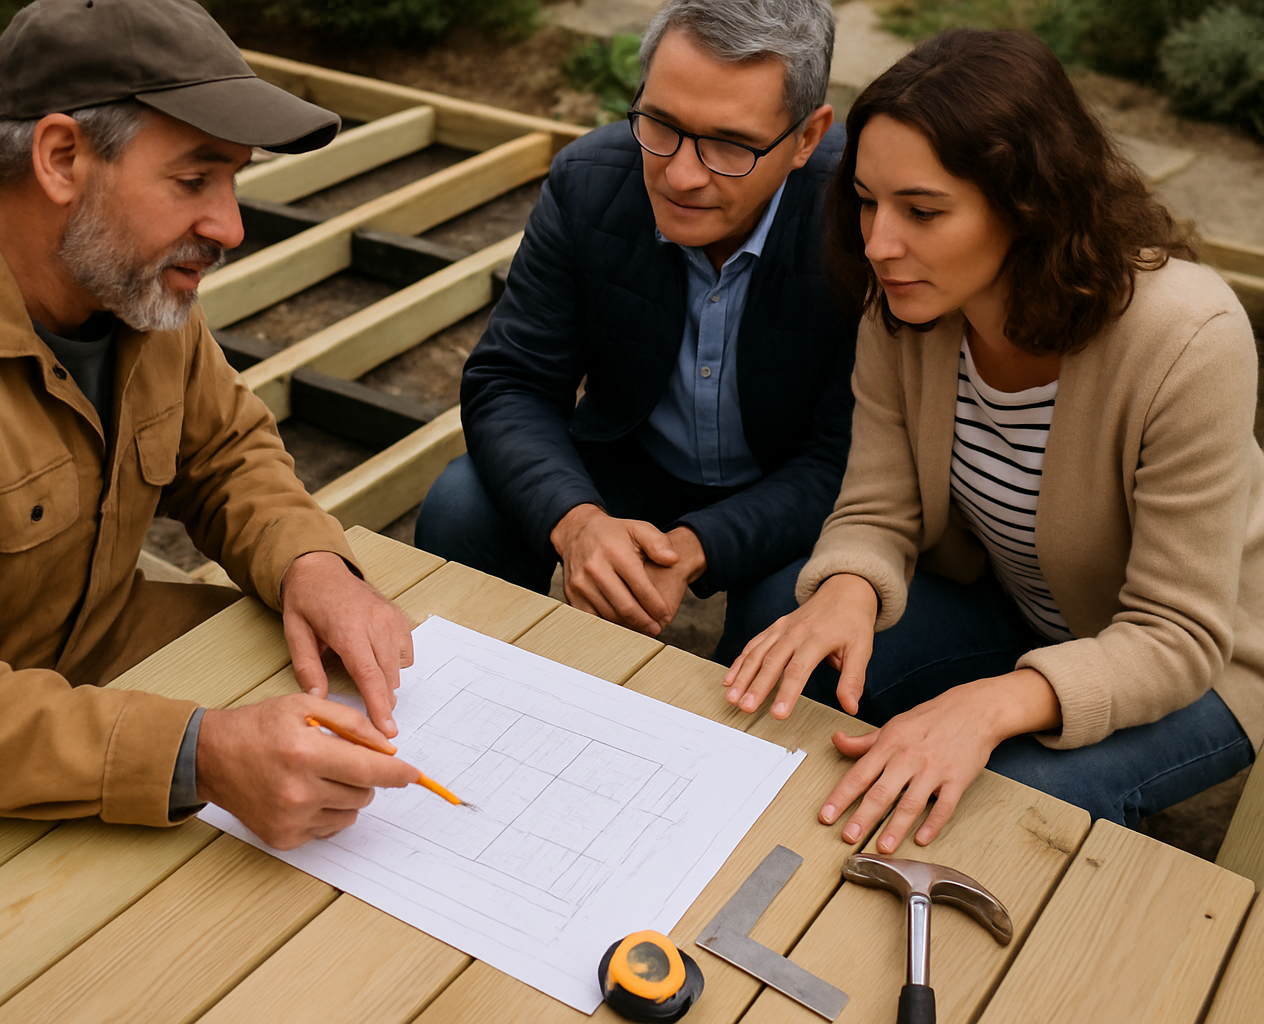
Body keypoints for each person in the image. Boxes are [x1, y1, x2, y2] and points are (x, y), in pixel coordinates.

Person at [0, 0, 423, 871]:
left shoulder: (126, 276)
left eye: (234, 181)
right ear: (61, 158)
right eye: (194, 179)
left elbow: (225, 454)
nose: (231, 226)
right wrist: (200, 755)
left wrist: (310, 563)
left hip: (92, 641)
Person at [723, 28, 1264, 854]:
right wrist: (849, 589)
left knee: (1001, 804)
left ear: (1029, 205)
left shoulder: (1189, 338)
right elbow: (877, 506)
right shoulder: (905, 300)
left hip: (1210, 662)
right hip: (1022, 609)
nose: (879, 243)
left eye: (923, 211)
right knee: (781, 615)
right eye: (867, 200)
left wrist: (987, 706)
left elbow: (1176, 635)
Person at [415, 0, 856, 658]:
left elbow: (845, 457)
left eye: (730, 145)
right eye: (661, 124)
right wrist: (576, 519)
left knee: (789, 611)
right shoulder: (588, 183)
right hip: (632, 458)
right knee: (462, 506)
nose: (681, 175)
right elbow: (512, 381)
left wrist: (701, 544)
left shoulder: (858, 221)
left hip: (790, 481)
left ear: (806, 138)